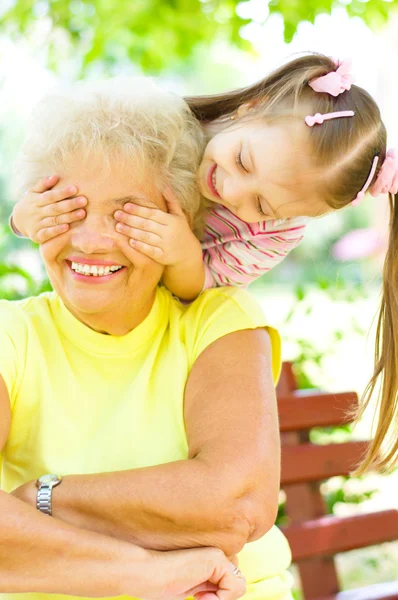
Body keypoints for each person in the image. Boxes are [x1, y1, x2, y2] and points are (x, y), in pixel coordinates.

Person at [1, 77, 293, 600]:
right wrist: (145, 574)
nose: (91, 240)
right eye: (67, 208)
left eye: (128, 214)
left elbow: (233, 507)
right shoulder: (10, 334)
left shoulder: (219, 322)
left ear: (182, 219)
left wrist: (40, 501)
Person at [11, 53, 388, 303]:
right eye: (242, 161)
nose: (230, 189)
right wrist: (24, 218)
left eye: (261, 205)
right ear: (250, 109)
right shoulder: (163, 125)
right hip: (92, 287)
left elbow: (198, 291)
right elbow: (70, 185)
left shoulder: (277, 233)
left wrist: (182, 252)